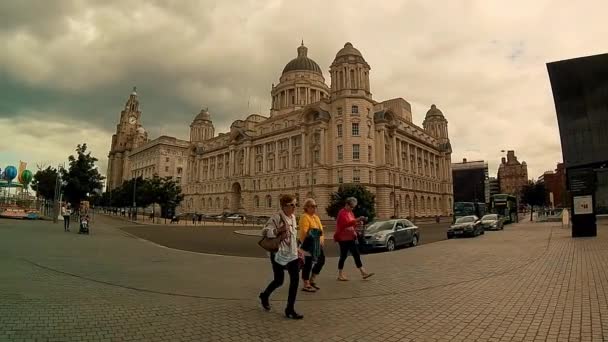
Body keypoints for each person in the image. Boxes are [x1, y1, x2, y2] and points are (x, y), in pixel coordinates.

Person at [259, 194, 303, 319]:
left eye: (295, 204)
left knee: (295, 281)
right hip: (278, 254)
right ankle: (265, 295)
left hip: (292, 255)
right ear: (284, 206)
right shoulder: (276, 217)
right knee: (279, 280)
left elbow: (293, 236)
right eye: (291, 205)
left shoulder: (294, 217)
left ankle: (290, 309)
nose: (294, 207)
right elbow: (264, 231)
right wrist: (278, 230)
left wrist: (297, 249)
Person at [334, 197, 374, 281]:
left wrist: (359, 222)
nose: (352, 208)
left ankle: (363, 272)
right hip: (343, 238)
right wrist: (357, 219)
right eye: (351, 206)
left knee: (356, 254)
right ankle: (340, 274)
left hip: (351, 237)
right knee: (343, 256)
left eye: (353, 207)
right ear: (347, 204)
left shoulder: (350, 213)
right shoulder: (342, 213)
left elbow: (352, 224)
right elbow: (345, 224)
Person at [298, 198, 325, 292]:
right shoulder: (304, 217)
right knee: (308, 264)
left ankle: (312, 279)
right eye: (312, 206)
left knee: (321, 261)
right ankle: (306, 284)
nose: (314, 208)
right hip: (308, 244)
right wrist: (317, 234)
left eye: (315, 206)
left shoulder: (316, 217)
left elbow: (320, 230)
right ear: (307, 207)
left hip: (317, 244)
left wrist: (321, 240)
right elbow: (305, 232)